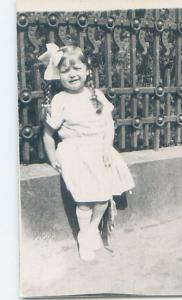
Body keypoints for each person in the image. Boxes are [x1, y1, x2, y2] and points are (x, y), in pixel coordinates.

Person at [38, 43, 135, 262]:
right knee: (84, 199)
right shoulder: (60, 100)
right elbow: (47, 134)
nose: (72, 75)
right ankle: (84, 236)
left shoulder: (96, 95)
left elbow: (109, 124)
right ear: (58, 75)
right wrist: (52, 157)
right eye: (65, 71)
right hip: (74, 152)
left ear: (87, 70)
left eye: (77, 69)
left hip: (98, 150)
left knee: (102, 198)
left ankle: (89, 231)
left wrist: (106, 148)